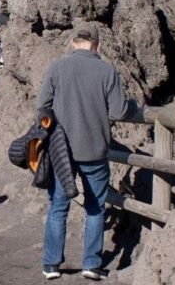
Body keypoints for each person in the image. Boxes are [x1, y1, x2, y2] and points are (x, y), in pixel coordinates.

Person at [36, 23, 139, 281]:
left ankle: (51, 265)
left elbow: (42, 106)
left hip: (61, 152)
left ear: (73, 42)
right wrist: (132, 106)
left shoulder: (57, 67)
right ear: (98, 45)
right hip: (95, 149)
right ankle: (91, 264)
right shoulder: (106, 70)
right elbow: (117, 111)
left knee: (58, 206)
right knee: (95, 208)